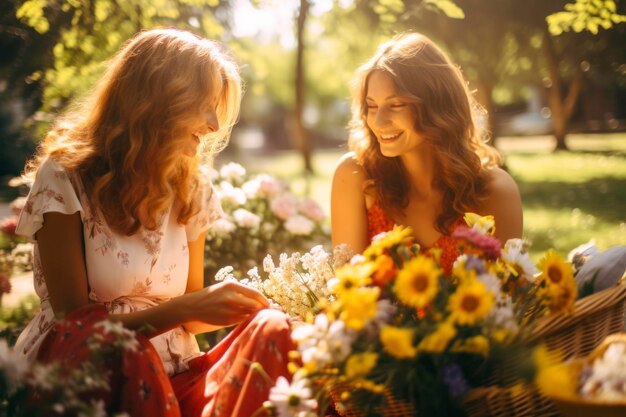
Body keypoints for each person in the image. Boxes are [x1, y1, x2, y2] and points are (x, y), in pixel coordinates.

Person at [14, 28, 292, 417]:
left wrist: (232, 304)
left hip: (176, 374)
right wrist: (180, 311)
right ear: (157, 100)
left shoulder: (194, 188)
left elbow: (190, 322)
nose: (213, 124)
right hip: (91, 374)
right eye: (204, 105)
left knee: (274, 327)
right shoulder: (65, 176)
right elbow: (73, 329)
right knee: (132, 354)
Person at [331, 33, 523, 272]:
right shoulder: (355, 177)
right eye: (372, 106)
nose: (379, 121)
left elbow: (509, 297)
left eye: (396, 105)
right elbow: (347, 293)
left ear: (437, 106)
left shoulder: (494, 191)